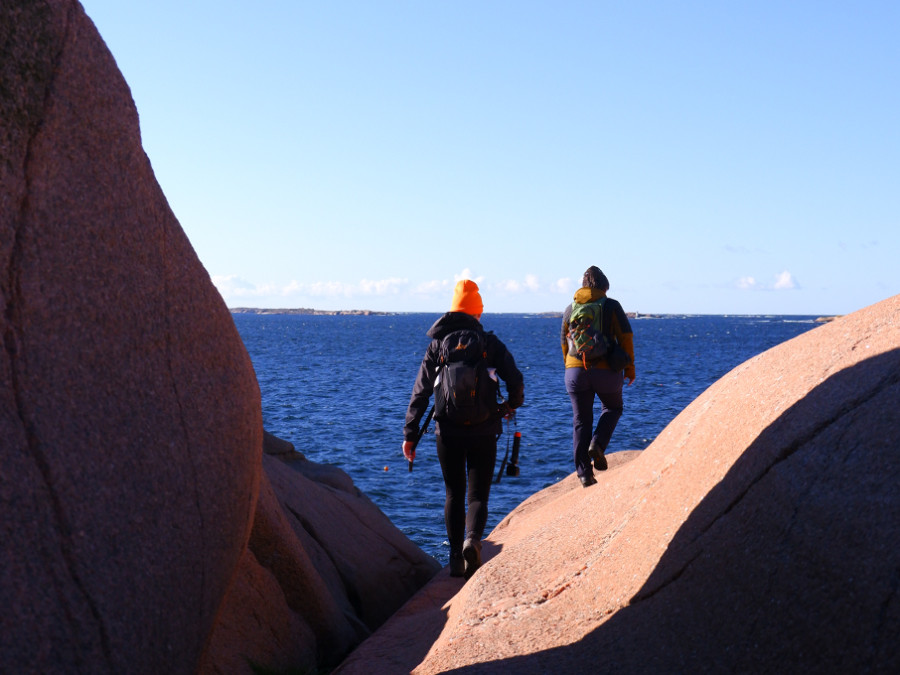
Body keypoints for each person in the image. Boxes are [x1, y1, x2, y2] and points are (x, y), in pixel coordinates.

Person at [403, 280, 524, 578]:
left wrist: (410, 435)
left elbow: (420, 393)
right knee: (478, 494)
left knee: (453, 493)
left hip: (448, 430)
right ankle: (473, 540)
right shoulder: (489, 343)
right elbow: (517, 383)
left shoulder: (437, 345)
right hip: (485, 428)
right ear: (477, 311)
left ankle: (456, 558)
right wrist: (507, 407)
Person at [561, 266, 635, 488]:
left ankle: (584, 474)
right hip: (605, 371)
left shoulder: (569, 309)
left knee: (581, 421)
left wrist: (571, 367)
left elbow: (564, 343)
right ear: (605, 287)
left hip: (574, 371)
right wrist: (630, 369)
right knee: (612, 408)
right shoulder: (611, 305)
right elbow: (626, 337)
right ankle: (598, 444)